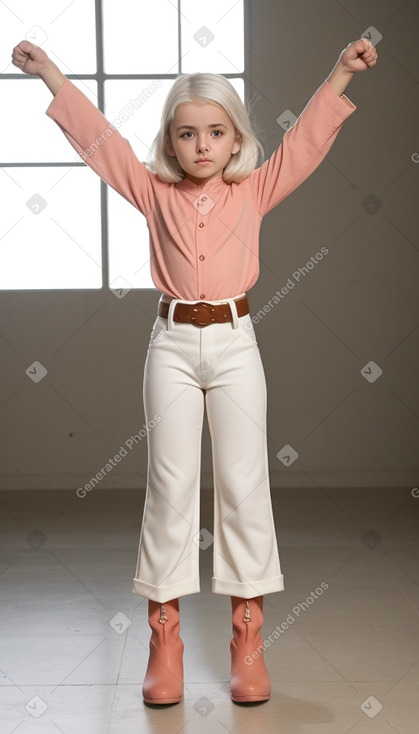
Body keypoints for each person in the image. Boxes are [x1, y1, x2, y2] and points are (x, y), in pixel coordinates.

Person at [11, 35, 377, 706]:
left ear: (235, 138)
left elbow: (303, 145)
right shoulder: (151, 191)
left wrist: (338, 73)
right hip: (171, 348)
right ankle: (165, 640)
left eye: (215, 132)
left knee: (243, 486)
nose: (202, 145)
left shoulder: (255, 189)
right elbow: (101, 143)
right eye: (186, 134)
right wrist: (51, 76)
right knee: (170, 489)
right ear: (170, 142)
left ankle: (247, 638)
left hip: (237, 345)